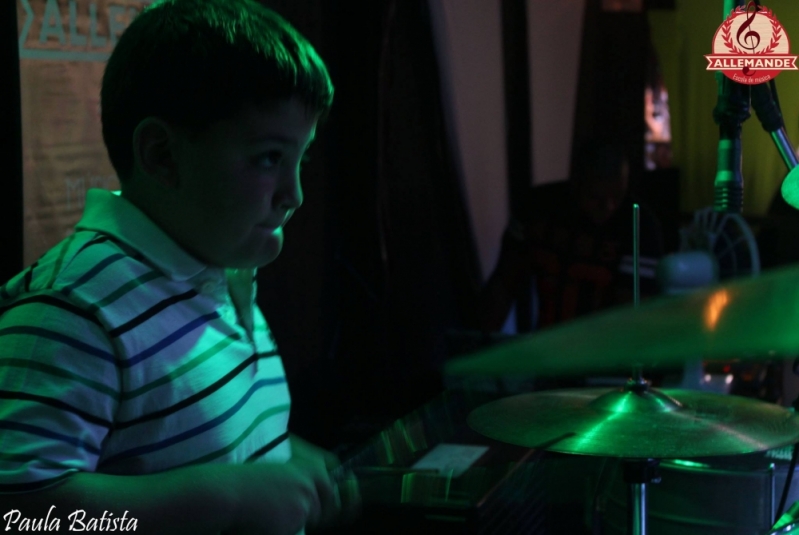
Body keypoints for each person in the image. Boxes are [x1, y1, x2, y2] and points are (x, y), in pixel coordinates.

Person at [0, 1, 355, 534]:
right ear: (162, 155)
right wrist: (226, 499)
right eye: (267, 159)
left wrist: (279, 456)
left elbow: (180, 439)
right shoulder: (73, 308)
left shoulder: (213, 266)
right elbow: (21, 513)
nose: (295, 195)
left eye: (299, 159)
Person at [479, 144, 664, 333]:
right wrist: (479, 342)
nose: (608, 207)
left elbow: (633, 312)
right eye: (596, 198)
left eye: (617, 197)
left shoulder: (639, 224)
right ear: (576, 184)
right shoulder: (537, 209)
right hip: (546, 345)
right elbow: (503, 284)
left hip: (606, 351)